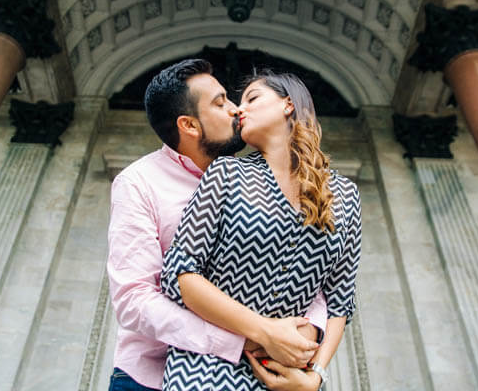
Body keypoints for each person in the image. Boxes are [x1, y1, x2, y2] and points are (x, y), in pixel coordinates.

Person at [107, 59, 327, 391]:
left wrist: (309, 335)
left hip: (257, 376)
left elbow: (307, 269)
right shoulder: (138, 183)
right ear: (190, 125)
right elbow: (134, 299)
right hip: (149, 378)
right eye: (220, 102)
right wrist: (249, 337)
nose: (237, 110)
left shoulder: (259, 177)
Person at [160, 71, 362, 390]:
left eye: (252, 99)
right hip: (206, 369)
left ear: (288, 104)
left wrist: (315, 377)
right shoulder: (226, 173)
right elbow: (180, 274)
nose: (240, 110)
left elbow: (340, 301)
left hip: (291, 380)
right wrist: (264, 330)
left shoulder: (346, 195)